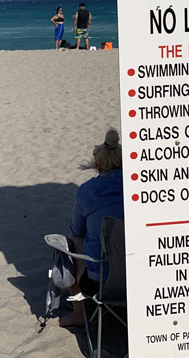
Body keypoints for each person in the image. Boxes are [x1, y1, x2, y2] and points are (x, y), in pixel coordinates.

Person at [59, 128, 123, 328]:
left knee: (74, 242)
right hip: (142, 278)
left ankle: (79, 315)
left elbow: (76, 231)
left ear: (99, 164)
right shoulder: (140, 189)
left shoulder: (87, 192)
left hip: (99, 284)